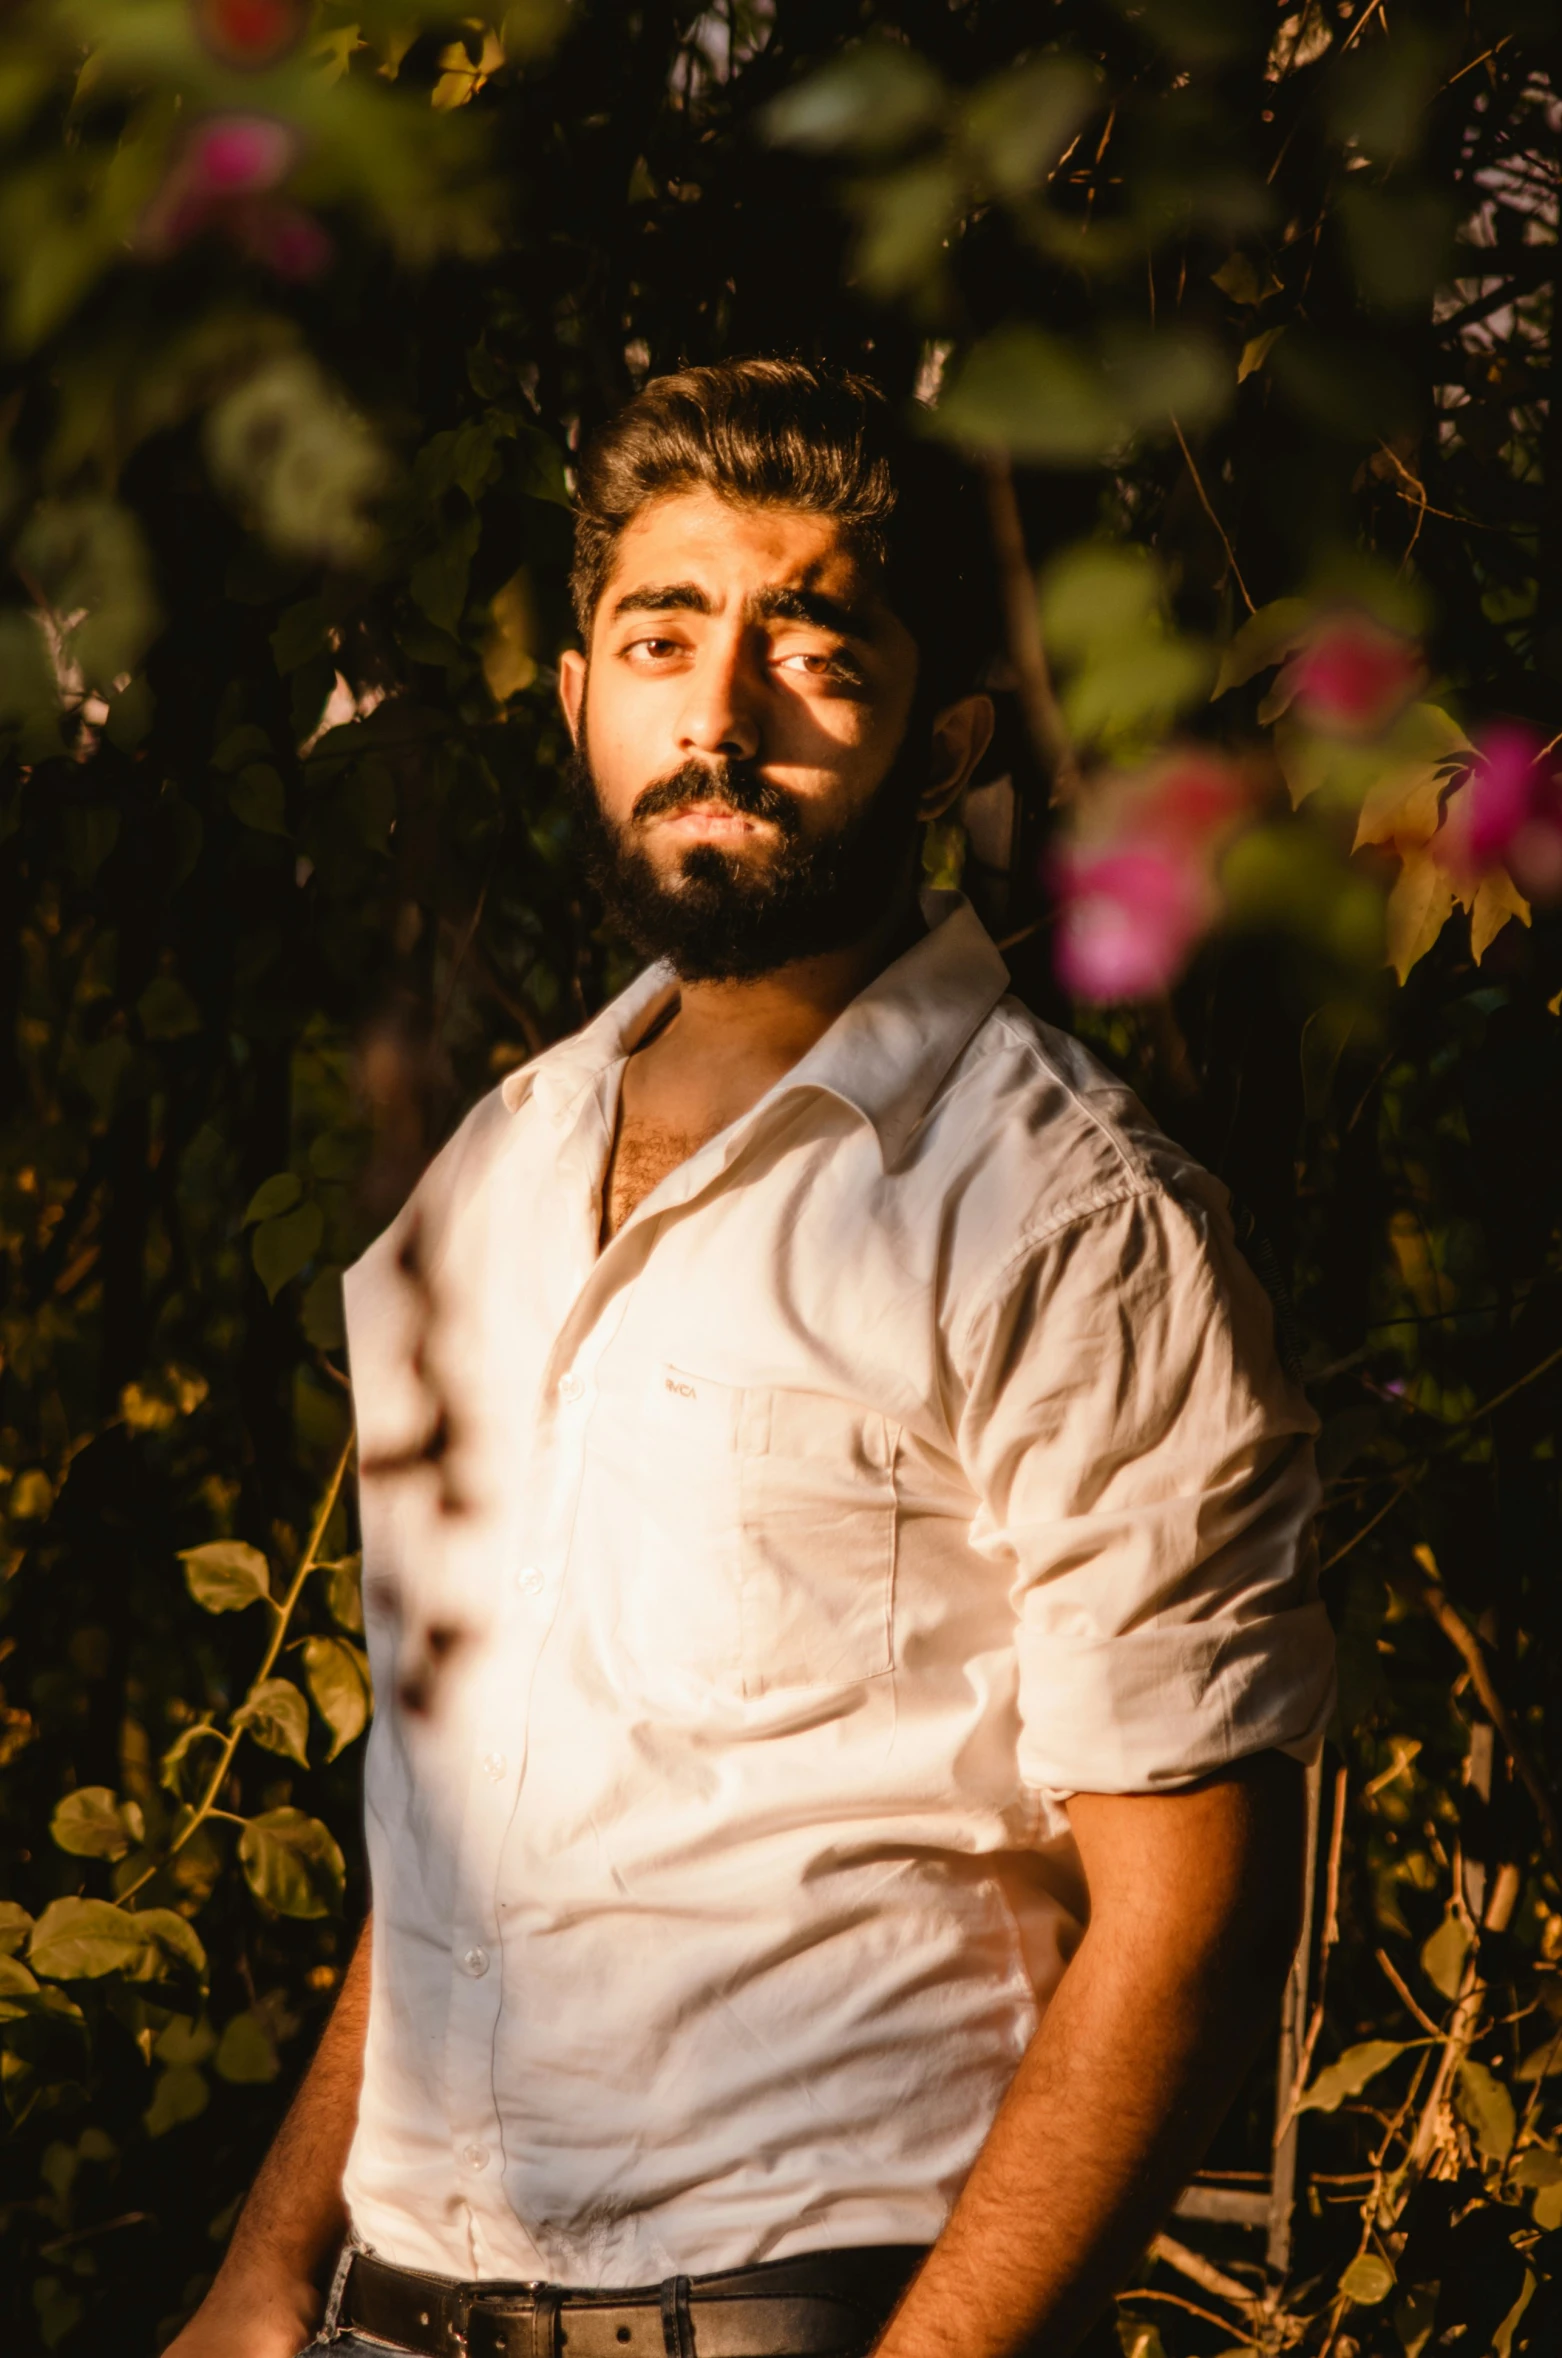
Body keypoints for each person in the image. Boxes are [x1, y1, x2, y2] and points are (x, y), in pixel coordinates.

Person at [169, 360, 1334, 2358]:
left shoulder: (1066, 1217)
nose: (717, 717)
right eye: (661, 639)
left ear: (941, 733)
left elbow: (1194, 1918)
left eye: (810, 646)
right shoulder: (487, 1181)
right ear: (576, 700)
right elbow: (475, 1807)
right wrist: (267, 2267)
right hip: (384, 2308)